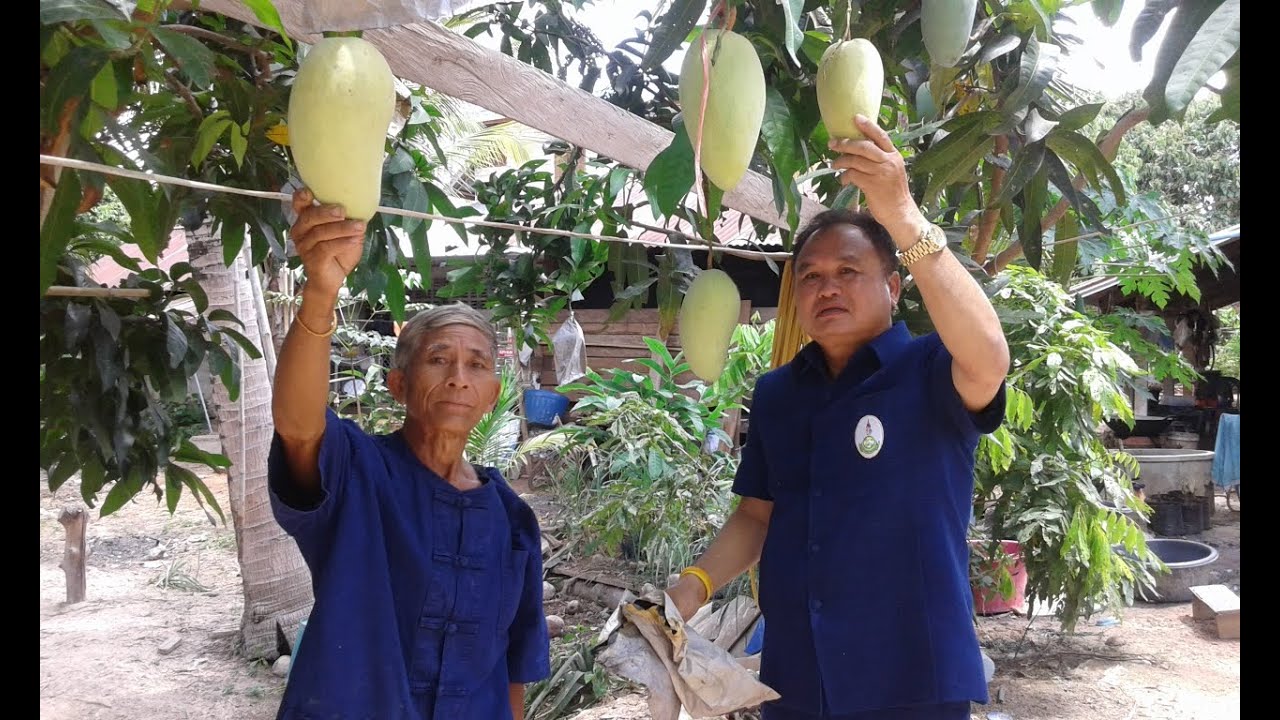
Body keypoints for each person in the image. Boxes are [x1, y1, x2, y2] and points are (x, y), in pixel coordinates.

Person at [666, 114, 1011, 720]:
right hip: (798, 673)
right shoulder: (777, 393)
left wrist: (902, 213)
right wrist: (693, 585)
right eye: (812, 277)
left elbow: (990, 356)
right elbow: (756, 514)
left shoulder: (934, 371)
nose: (828, 287)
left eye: (848, 272)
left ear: (894, 287)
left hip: (913, 675)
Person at [267, 188, 550, 720]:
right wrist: (321, 291)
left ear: (492, 394)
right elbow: (299, 428)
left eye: (477, 365)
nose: (458, 380)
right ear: (399, 384)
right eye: (438, 359)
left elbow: (516, 662)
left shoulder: (512, 520)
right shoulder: (359, 472)